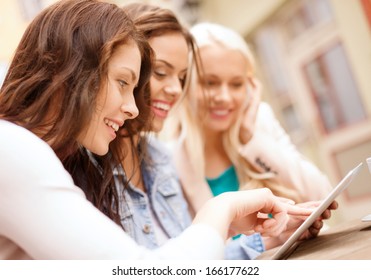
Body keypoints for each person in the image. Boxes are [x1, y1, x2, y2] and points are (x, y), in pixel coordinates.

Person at [0, 0, 314, 260]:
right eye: (124, 82)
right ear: (74, 69)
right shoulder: (19, 150)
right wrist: (223, 210)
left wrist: (262, 236)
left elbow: (172, 259)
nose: (133, 105)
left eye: (182, 77)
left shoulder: (156, 157)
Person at [90, 3, 335, 260]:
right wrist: (229, 214)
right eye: (161, 72)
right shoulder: (171, 157)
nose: (223, 96)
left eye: (181, 77)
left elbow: (197, 260)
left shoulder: (159, 160)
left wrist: (274, 238)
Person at [161, 22, 333, 216]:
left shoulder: (261, 122)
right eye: (210, 83)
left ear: (250, 87)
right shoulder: (171, 159)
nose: (224, 97)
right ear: (185, 83)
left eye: (236, 84)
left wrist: (250, 139)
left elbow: (323, 195)